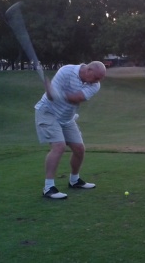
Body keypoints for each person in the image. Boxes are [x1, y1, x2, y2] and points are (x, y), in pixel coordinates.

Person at [34, 61, 106, 199]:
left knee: (79, 149)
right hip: (48, 112)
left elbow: (77, 98)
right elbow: (50, 97)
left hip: (67, 118)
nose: (98, 81)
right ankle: (48, 188)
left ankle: (74, 180)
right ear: (88, 70)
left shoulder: (95, 85)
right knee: (59, 146)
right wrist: (50, 92)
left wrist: (57, 93)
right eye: (96, 77)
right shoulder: (66, 71)